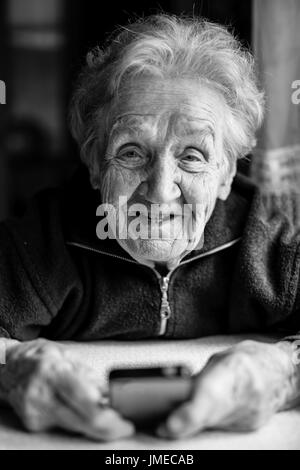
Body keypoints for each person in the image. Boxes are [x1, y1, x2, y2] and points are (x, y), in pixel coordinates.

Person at [0, 14, 299, 441]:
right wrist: (10, 370)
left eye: (192, 155)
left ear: (226, 174)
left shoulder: (274, 242)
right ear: (94, 165)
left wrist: (285, 372)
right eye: (132, 152)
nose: (160, 193)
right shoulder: (42, 241)